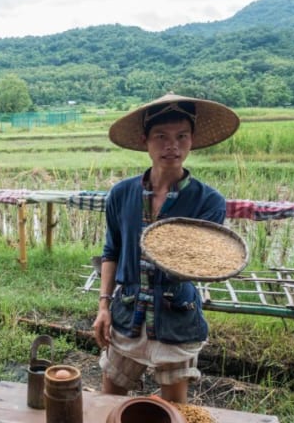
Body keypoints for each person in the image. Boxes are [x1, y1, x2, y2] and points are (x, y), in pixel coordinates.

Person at [93, 93, 240, 403]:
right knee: (110, 402)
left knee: (173, 410)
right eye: (161, 136)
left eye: (181, 136)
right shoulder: (121, 194)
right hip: (127, 311)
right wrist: (104, 306)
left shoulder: (208, 201)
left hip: (176, 315)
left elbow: (203, 260)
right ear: (146, 140)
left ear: (192, 140)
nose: (171, 145)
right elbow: (111, 252)